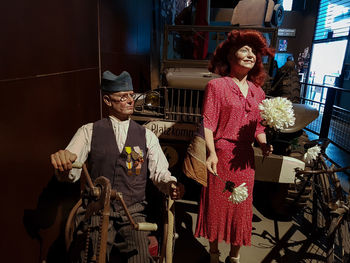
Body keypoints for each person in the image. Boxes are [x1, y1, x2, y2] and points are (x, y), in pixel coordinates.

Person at [50, 70, 184, 263]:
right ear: (107, 101)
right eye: (123, 97)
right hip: (97, 209)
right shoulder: (89, 131)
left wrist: (170, 184)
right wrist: (64, 163)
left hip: (133, 210)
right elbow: (72, 170)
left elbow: (160, 173)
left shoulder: (146, 136)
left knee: (140, 256)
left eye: (131, 95)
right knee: (92, 255)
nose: (130, 100)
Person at [194, 30, 274, 263]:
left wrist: (264, 144)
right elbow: (208, 122)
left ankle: (235, 257)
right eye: (244, 49)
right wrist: (210, 153)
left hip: (245, 158)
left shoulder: (259, 93)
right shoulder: (217, 87)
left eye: (254, 52)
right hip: (221, 154)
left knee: (241, 208)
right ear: (230, 55)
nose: (251, 55)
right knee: (216, 205)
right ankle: (214, 253)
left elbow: (259, 128)